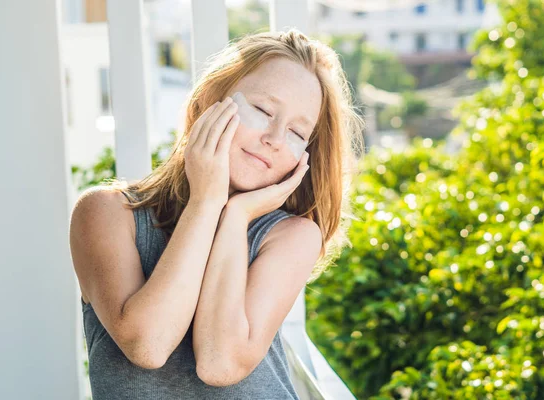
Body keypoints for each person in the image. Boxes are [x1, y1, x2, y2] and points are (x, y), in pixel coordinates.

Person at [69, 28, 364, 399]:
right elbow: (148, 344)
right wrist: (206, 201)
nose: (274, 137)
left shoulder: (291, 235)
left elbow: (219, 362)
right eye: (262, 110)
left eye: (297, 132)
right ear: (209, 101)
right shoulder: (105, 213)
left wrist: (236, 216)